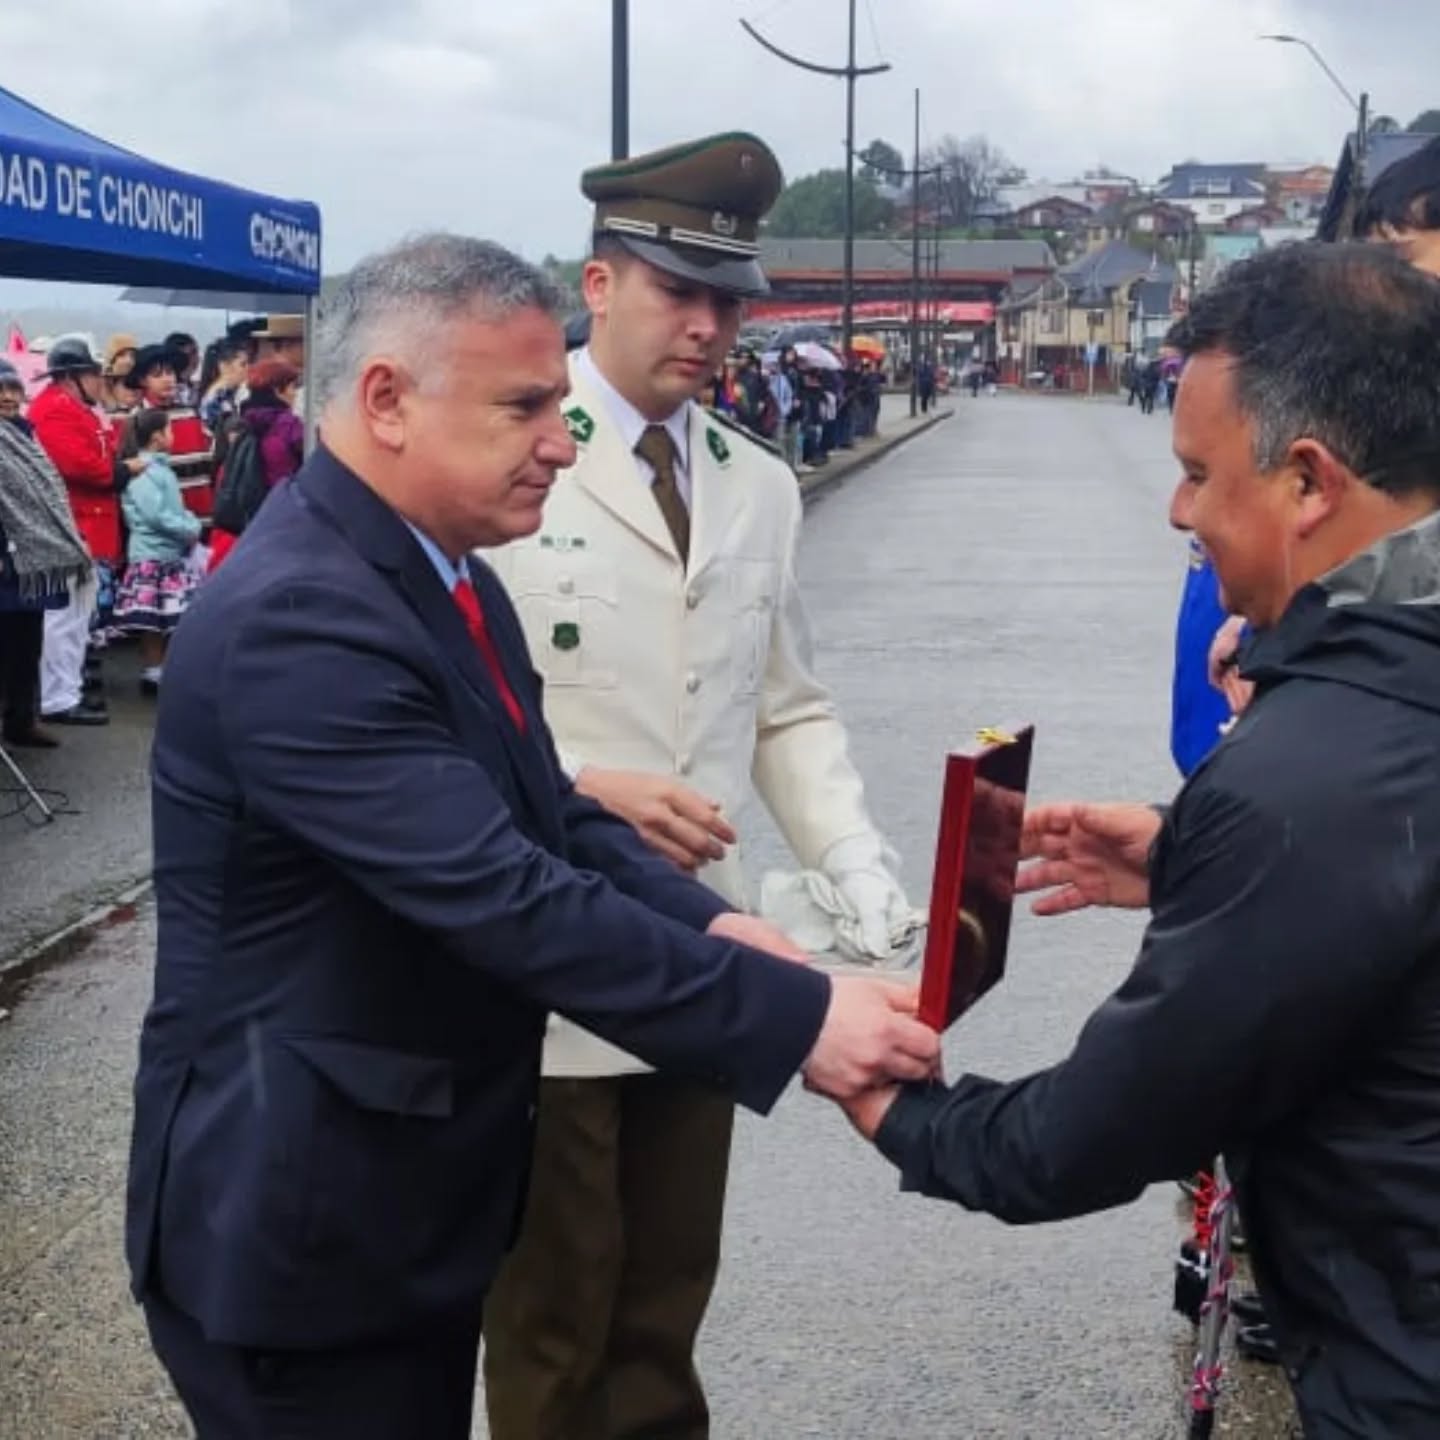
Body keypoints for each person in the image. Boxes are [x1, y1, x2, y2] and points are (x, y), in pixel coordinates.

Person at [126, 231, 938, 1440]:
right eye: (524, 407)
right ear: (387, 401)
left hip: (393, 1203)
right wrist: (802, 1024)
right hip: (300, 1234)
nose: (562, 441)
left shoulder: (437, 570)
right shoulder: (303, 618)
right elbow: (507, 895)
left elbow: (552, 815)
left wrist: (726, 927)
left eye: (558, 402)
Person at [838, 243, 1440, 1437]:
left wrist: (901, 1111)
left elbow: (1102, 1129)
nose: (1179, 511)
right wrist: (1178, 853)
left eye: (1199, 473)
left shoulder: (1304, 776)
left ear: (1308, 483)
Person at [482, 132, 916, 1440]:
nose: (711, 326)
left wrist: (860, 871)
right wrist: (581, 787)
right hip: (541, 955)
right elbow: (426, 706)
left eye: (730, 299)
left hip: (706, 950)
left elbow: (786, 706)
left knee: (668, 1302)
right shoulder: (505, 451)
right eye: (680, 290)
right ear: (598, 282)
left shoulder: (756, 485)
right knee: (554, 1318)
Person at [0, 359, 91, 748]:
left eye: (13, 389)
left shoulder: (26, 435)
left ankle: (22, 719)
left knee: (27, 640)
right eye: (0, 390)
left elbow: (45, 494)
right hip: (4, 554)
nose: (6, 397)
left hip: (32, 557)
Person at [27, 338, 116, 726]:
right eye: (93, 373)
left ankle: (65, 690)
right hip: (72, 524)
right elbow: (89, 467)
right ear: (70, 377)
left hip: (82, 523)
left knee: (75, 617)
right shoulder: (55, 412)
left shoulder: (72, 408)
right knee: (64, 618)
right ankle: (57, 697)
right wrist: (123, 469)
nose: (100, 381)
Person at [115, 409, 202, 695]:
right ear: (157, 437)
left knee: (165, 616)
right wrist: (188, 527)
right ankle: (154, 671)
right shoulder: (147, 470)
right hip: (153, 553)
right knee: (154, 619)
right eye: (170, 430)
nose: (174, 436)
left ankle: (162, 668)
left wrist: (187, 522)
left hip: (165, 552)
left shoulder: (158, 468)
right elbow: (156, 515)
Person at [195, 337, 250, 435]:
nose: (248, 369)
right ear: (223, 366)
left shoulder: (228, 394)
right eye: (243, 364)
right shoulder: (218, 398)